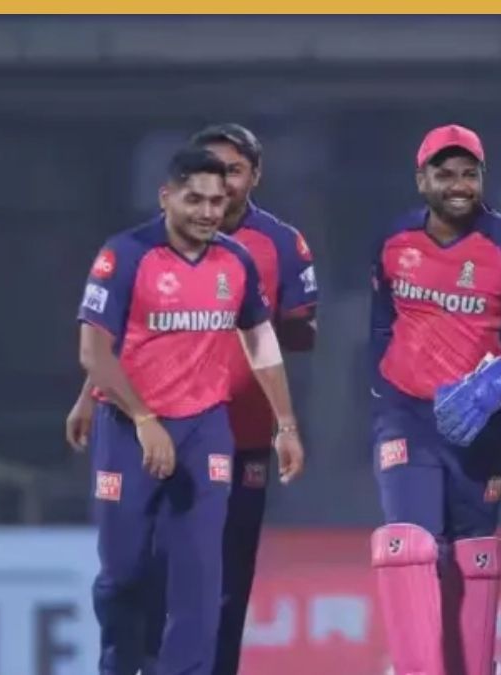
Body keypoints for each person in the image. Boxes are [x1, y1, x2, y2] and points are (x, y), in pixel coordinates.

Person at [66, 123, 319, 675]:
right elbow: (97, 348)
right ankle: (120, 663)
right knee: (125, 572)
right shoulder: (126, 255)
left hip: (206, 429)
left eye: (217, 201)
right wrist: (137, 417)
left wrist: (286, 425)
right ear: (166, 196)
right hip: (129, 427)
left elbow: (260, 340)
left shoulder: (236, 261)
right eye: (195, 200)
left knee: (201, 578)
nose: (208, 212)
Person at [369, 124, 501, 675]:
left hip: (482, 425)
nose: (457, 185)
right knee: (410, 546)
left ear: (482, 178)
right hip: (408, 417)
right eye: (445, 173)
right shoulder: (394, 241)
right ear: (422, 179)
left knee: (473, 557)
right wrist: (383, 390)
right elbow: (381, 323)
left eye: (468, 174)